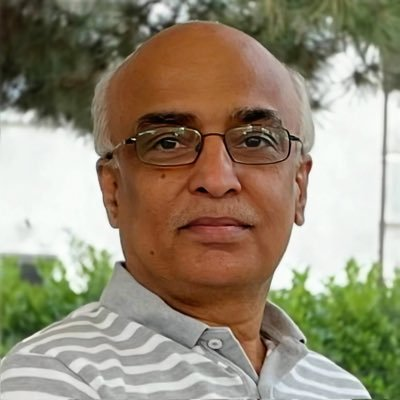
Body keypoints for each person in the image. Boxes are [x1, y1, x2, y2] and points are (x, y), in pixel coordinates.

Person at [0, 21, 370, 400]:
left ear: (299, 187)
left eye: (255, 140)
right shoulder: (53, 377)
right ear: (113, 191)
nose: (216, 178)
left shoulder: (339, 390)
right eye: (167, 142)